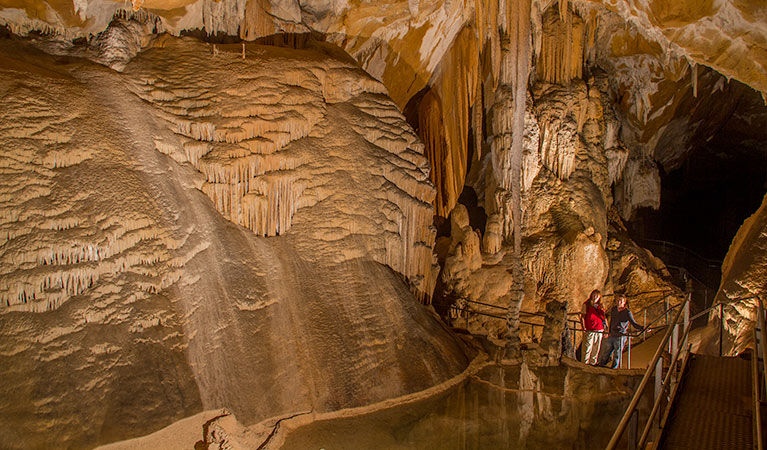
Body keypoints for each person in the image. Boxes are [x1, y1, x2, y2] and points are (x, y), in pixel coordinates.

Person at [599, 294, 645, 369]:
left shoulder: (627, 312)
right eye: (617, 300)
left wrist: (643, 328)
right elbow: (612, 321)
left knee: (617, 352)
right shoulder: (614, 309)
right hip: (613, 333)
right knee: (607, 351)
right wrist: (609, 331)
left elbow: (633, 323)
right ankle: (601, 364)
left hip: (620, 335)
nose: (619, 302)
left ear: (624, 302)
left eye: (620, 300)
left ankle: (614, 367)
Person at [581, 289, 607, 365]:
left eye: (597, 296)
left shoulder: (600, 306)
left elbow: (604, 318)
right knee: (587, 348)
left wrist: (606, 328)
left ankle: (593, 363)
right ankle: (584, 364)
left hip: (599, 329)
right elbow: (583, 316)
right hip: (590, 329)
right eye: (594, 295)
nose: (595, 297)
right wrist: (584, 327)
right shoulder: (586, 305)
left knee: (596, 348)